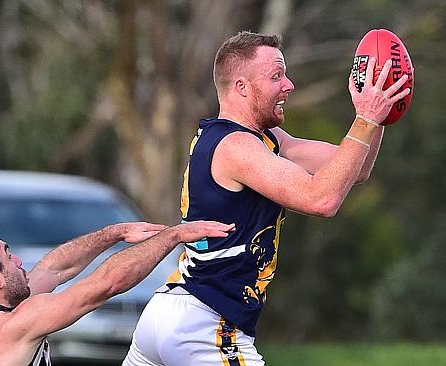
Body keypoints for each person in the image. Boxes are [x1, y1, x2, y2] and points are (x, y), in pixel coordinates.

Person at [123, 31, 411, 366]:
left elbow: (353, 170)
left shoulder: (262, 138)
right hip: (204, 325)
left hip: (168, 312)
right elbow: (322, 200)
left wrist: (379, 111)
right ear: (242, 87)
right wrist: (365, 119)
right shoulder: (236, 147)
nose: (288, 85)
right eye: (276, 76)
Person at [0, 220, 234, 366]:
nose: (18, 262)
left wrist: (115, 233)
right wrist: (175, 236)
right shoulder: (11, 326)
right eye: (8, 256)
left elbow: (53, 269)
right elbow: (105, 285)